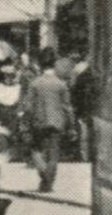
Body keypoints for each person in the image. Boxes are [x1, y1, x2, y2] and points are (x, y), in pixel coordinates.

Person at [20, 38, 75, 193]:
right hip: (57, 124)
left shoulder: (34, 83)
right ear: (54, 63)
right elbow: (68, 108)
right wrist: (71, 127)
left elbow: (28, 106)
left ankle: (44, 174)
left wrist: (25, 124)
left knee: (35, 150)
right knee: (54, 155)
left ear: (40, 64)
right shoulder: (61, 84)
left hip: (39, 123)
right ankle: (47, 182)